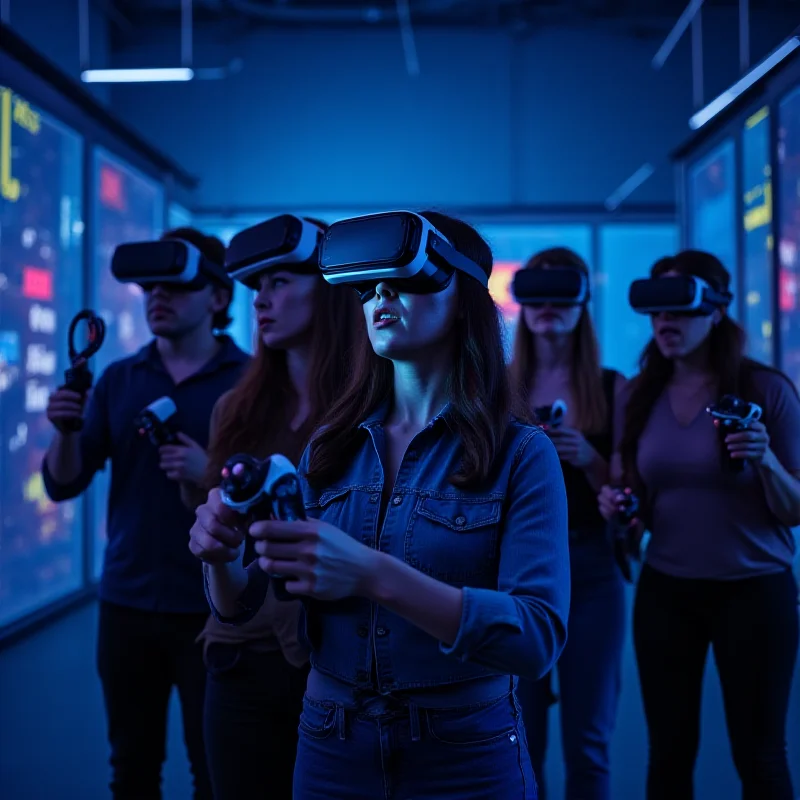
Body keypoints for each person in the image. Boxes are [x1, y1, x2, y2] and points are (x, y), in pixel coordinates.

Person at [190, 210, 571, 799]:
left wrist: (373, 573)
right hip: (330, 745)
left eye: (407, 278)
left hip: (463, 753)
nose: (381, 296)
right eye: (367, 286)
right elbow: (243, 605)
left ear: (464, 298)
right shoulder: (331, 444)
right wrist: (221, 552)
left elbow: (536, 639)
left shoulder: (522, 453)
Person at [42, 227, 248, 800]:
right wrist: (64, 430)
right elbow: (64, 482)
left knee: (219, 772)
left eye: (175, 285)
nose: (157, 295)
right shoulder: (118, 379)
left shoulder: (253, 382)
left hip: (216, 609)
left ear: (217, 297)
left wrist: (210, 473)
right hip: (127, 603)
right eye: (149, 286)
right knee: (131, 769)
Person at [598, 250, 800, 800]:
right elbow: (631, 489)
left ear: (715, 311)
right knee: (668, 755)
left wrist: (765, 459)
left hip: (755, 590)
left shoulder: (767, 392)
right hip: (669, 589)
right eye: (656, 311)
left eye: (679, 308)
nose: (666, 322)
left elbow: (795, 509)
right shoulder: (637, 395)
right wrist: (618, 505)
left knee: (760, 755)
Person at [188, 216, 365, 799]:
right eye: (256, 286)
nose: (262, 299)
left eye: (282, 280)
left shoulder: (375, 408)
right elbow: (224, 549)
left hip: (342, 666)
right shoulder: (234, 410)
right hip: (238, 658)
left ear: (331, 288)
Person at [509, 248, 627, 800]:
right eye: (537, 297)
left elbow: (625, 494)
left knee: (588, 739)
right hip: (516, 569)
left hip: (591, 568)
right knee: (517, 736)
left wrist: (587, 457)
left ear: (583, 304)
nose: (548, 309)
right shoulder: (501, 387)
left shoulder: (610, 387)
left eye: (562, 297)